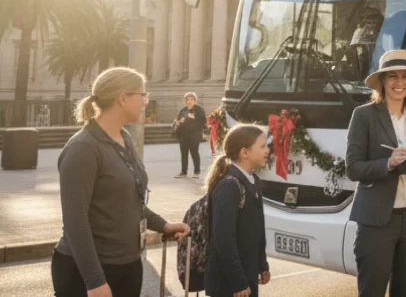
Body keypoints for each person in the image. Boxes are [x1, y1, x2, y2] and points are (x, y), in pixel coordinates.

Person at [52, 67, 190, 297]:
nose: (146, 102)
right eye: (142, 95)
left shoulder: (124, 137)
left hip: (128, 264)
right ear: (123, 98)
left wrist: (162, 225)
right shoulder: (83, 148)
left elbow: (130, 200)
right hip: (88, 272)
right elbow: (75, 222)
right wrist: (94, 282)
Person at [346, 49, 406, 297]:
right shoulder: (363, 115)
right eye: (392, 76)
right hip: (378, 221)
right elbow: (353, 167)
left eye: (405, 76)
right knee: (372, 291)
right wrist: (387, 163)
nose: (399, 82)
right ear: (382, 81)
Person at [204, 124, 272, 297]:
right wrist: (238, 281)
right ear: (244, 153)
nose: (268, 150)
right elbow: (223, 238)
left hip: (247, 274)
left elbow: (256, 230)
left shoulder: (253, 181)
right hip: (229, 284)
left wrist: (262, 264)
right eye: (262, 146)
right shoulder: (229, 186)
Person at [176, 92, 206, 178]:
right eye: (187, 99)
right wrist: (179, 122)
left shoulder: (199, 110)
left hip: (195, 135)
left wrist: (194, 118)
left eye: (191, 99)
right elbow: (177, 121)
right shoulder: (183, 110)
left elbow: (203, 122)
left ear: (195, 100)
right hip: (184, 135)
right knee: (184, 153)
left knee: (194, 152)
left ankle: (197, 172)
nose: (189, 101)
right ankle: (183, 171)